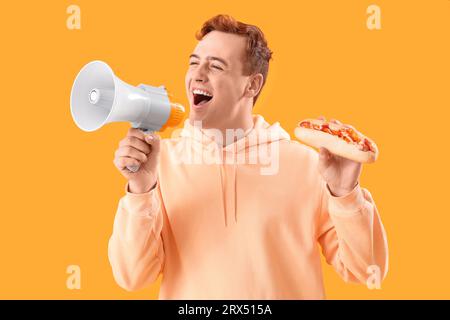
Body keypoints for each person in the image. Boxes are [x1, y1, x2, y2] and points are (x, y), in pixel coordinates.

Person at [108, 14, 388, 299]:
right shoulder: (159, 165)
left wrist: (345, 193)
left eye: (216, 66)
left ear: (251, 85)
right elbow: (132, 277)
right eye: (194, 62)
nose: (198, 74)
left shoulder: (309, 165)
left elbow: (366, 271)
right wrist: (141, 192)